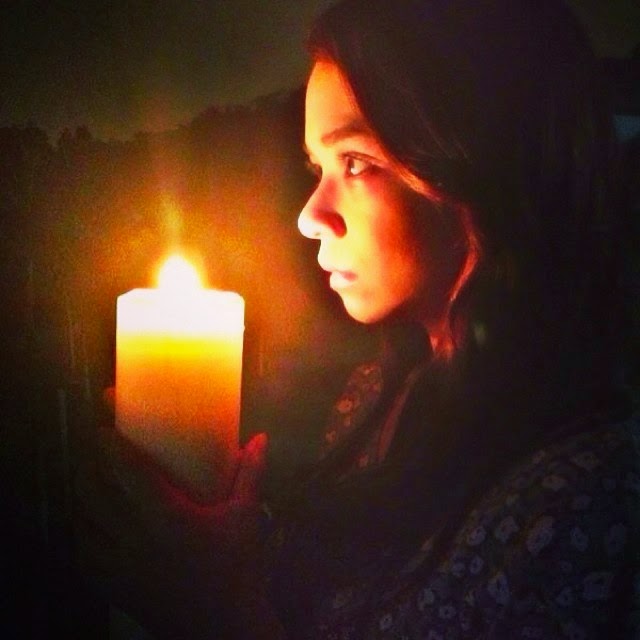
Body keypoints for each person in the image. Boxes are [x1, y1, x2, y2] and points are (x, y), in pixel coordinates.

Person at [74, 0, 640, 638]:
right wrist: (218, 527)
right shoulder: (385, 390)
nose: (310, 216)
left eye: (357, 163)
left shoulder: (588, 503)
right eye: (317, 168)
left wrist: (212, 609)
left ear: (484, 165)